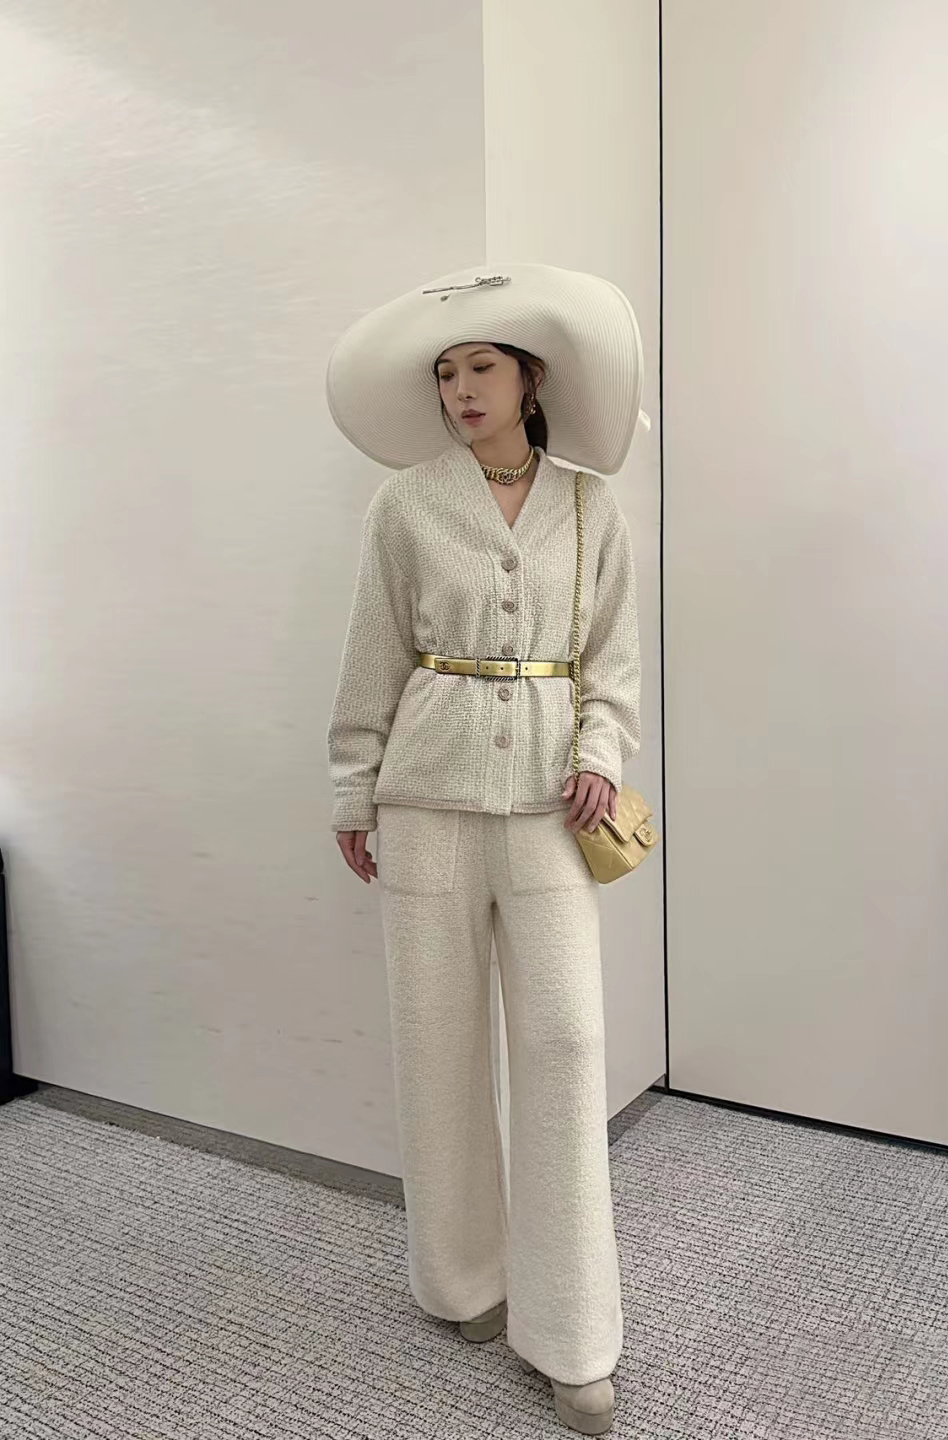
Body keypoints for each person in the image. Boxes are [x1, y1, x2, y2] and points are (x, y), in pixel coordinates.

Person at [325, 262, 643, 1436]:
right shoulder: (406, 505)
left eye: (482, 367)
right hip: (426, 801)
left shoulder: (591, 506)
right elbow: (372, 651)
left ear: (531, 379)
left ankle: (573, 1335)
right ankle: (462, 1280)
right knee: (437, 1041)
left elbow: (613, 660)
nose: (462, 388)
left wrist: (602, 746)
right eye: (447, 372)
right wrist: (355, 790)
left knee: (564, 1044)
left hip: (554, 808)